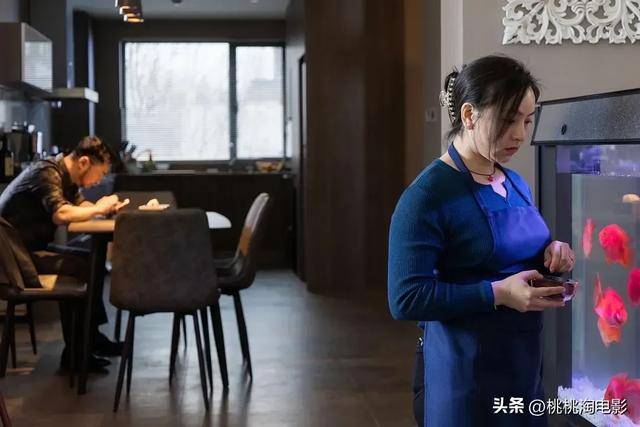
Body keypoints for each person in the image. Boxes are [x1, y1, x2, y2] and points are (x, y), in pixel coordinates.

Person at [387, 55, 576, 426]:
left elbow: (515, 254)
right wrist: (497, 293)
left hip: (521, 366)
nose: (520, 134)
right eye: (508, 120)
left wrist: (553, 253)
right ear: (469, 115)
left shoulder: (514, 183)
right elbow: (406, 299)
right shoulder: (427, 196)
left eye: (527, 120)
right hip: (464, 374)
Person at [0, 135, 124, 372]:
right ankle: (76, 355)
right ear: (84, 163)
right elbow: (62, 214)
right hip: (15, 260)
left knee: (92, 261)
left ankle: (90, 340)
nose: (99, 180)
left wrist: (104, 209)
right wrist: (98, 208)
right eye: (100, 173)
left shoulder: (65, 176)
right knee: (83, 267)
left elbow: (79, 206)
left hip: (28, 251)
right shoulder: (46, 172)